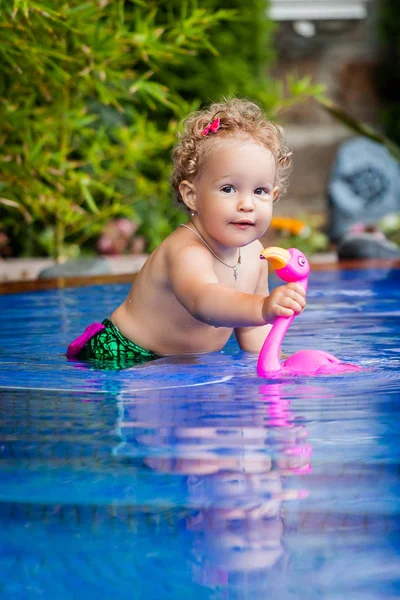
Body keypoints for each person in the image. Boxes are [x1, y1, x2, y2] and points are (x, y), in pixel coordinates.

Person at [66, 98, 306, 366]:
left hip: (181, 365)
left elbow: (252, 329)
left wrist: (277, 362)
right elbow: (204, 301)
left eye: (259, 191)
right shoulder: (186, 250)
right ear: (191, 196)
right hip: (125, 356)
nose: (247, 204)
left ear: (273, 196)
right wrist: (262, 307)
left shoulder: (256, 254)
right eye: (228, 189)